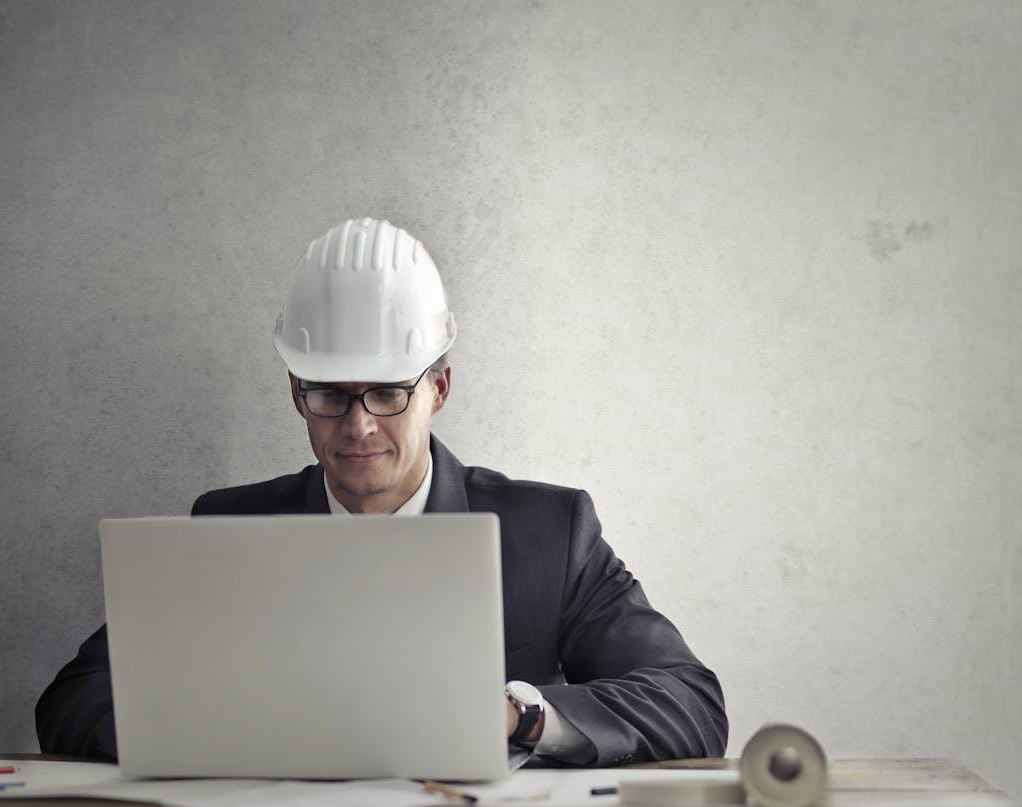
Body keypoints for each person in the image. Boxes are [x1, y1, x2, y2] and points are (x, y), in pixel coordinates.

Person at [36, 217, 727, 767]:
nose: (359, 423)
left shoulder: (551, 531)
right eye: (331, 394)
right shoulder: (226, 527)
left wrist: (517, 716)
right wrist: (227, 724)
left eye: (390, 391)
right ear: (295, 394)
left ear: (439, 388)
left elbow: (688, 700)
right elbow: (74, 700)